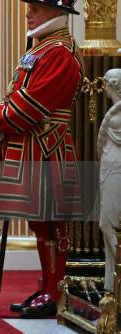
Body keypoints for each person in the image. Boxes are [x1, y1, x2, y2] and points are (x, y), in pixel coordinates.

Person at [0, 0, 84, 318]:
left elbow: (30, 105)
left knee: (54, 223)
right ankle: (46, 286)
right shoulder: (43, 46)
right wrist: (3, 116)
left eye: (35, 9)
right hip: (34, 147)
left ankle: (56, 291)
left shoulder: (59, 51)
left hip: (47, 148)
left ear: (56, 12)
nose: (28, 15)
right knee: (41, 223)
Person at [97, 69, 121, 292]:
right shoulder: (113, 112)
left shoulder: (118, 114)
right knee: (107, 224)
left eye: (106, 81)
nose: (103, 85)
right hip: (109, 167)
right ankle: (112, 284)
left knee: (109, 223)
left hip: (117, 170)